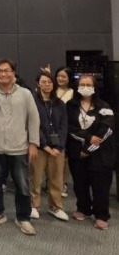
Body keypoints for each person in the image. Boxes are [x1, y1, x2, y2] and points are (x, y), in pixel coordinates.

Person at [0, 58, 40, 236]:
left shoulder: (25, 93)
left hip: (19, 148)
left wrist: (33, 143)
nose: (3, 74)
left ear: (13, 73)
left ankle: (23, 217)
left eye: (7, 70)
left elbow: (34, 119)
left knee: (22, 186)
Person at [66, 75, 116, 230]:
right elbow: (69, 128)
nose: (85, 87)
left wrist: (89, 149)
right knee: (80, 183)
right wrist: (87, 138)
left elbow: (106, 130)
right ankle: (84, 209)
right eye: (82, 84)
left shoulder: (104, 106)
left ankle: (101, 215)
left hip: (100, 153)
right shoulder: (70, 106)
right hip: (77, 152)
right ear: (77, 87)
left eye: (89, 84)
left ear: (94, 87)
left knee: (101, 185)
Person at [30, 72, 68, 221]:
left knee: (56, 179)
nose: (47, 84)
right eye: (44, 82)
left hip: (57, 148)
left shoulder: (60, 104)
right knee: (35, 179)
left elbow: (64, 126)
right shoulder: (33, 102)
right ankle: (34, 206)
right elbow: (33, 125)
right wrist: (44, 144)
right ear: (38, 84)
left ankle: (55, 207)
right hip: (39, 147)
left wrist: (59, 147)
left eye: (50, 82)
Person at [54, 66, 74, 198]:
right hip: (50, 128)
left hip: (65, 128)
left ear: (69, 78)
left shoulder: (73, 92)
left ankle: (63, 183)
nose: (60, 78)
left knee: (64, 158)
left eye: (63, 76)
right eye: (58, 76)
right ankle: (51, 182)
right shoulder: (52, 89)